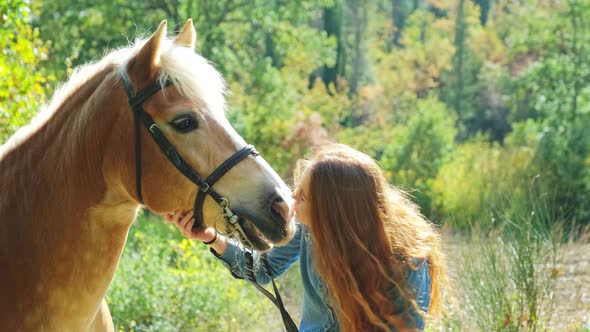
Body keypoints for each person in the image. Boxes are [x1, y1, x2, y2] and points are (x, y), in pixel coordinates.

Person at [166, 143, 446, 332]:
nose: (292, 200)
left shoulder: (408, 264)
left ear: (334, 212)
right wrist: (212, 237)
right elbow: (264, 269)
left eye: (303, 196)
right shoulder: (310, 229)